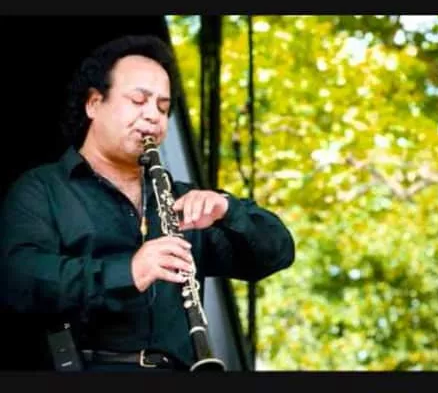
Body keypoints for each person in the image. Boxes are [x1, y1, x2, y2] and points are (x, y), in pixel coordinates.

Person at [0, 34, 295, 372]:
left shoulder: (184, 200)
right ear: (94, 103)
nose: (152, 115)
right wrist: (129, 272)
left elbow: (277, 252)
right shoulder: (42, 189)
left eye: (163, 108)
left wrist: (228, 209)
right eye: (138, 100)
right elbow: (19, 280)